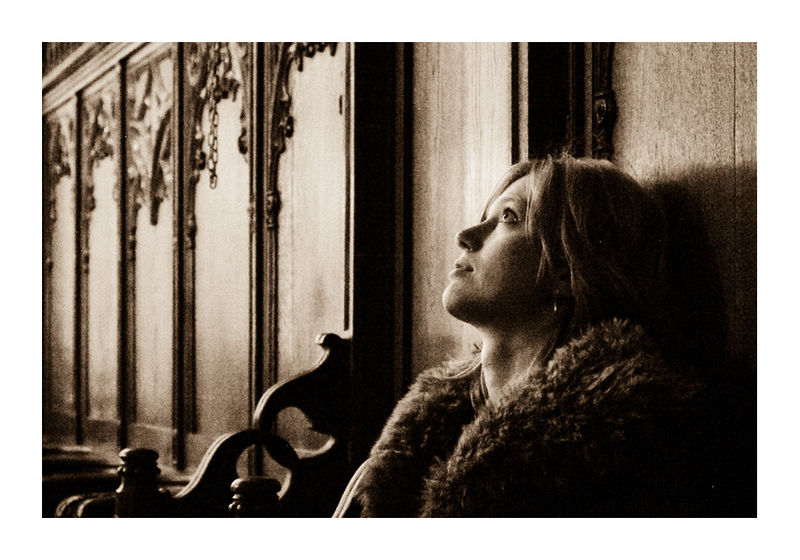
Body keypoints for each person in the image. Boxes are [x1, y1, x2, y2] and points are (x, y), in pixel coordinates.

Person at [334, 154, 716, 517]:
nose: (465, 235)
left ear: (567, 271)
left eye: (508, 217)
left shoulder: (623, 449)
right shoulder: (416, 447)